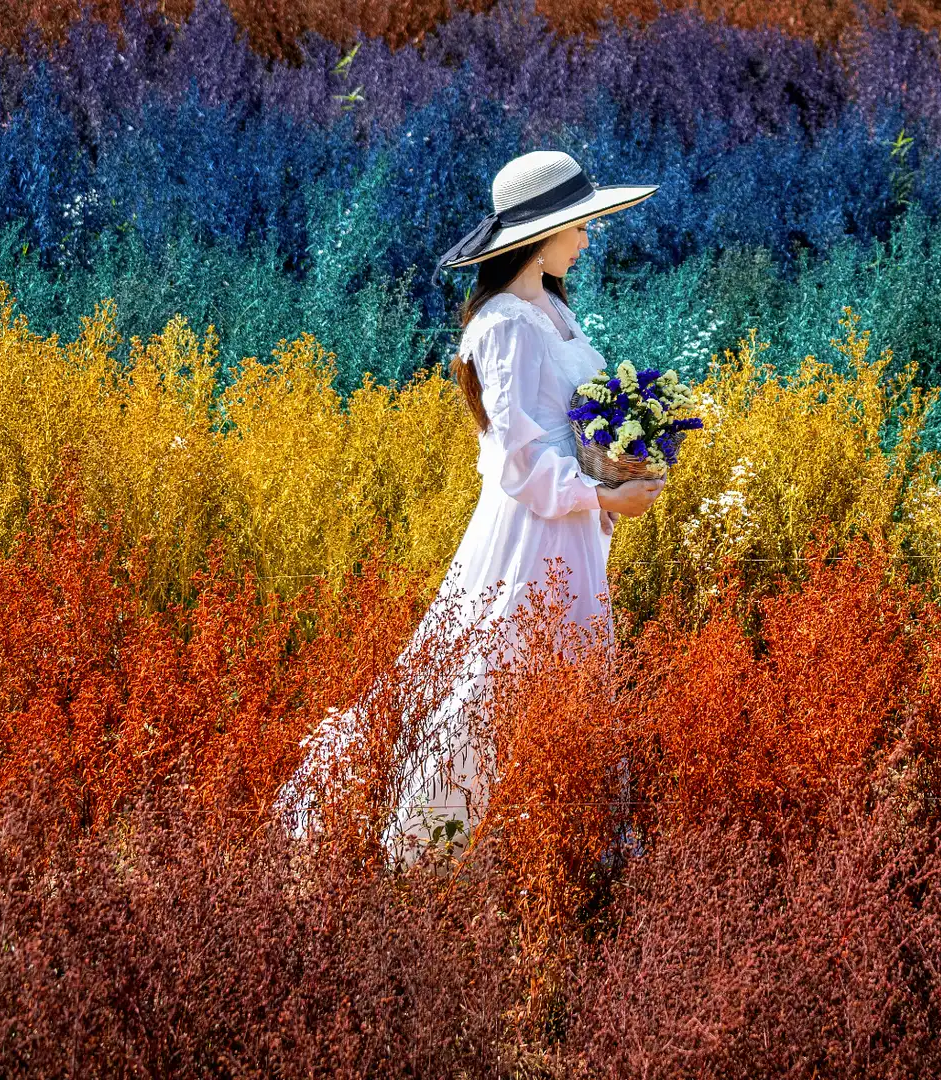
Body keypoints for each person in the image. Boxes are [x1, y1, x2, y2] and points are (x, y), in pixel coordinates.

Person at [275, 150, 664, 858]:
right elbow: (517, 456)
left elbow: (569, 424)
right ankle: (427, 847)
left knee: (565, 675)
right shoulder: (508, 323)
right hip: (535, 531)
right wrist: (604, 491)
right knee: (498, 679)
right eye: (579, 225)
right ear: (542, 233)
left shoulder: (548, 309)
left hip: (569, 526)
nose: (587, 238)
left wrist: (621, 461)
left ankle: (569, 844)